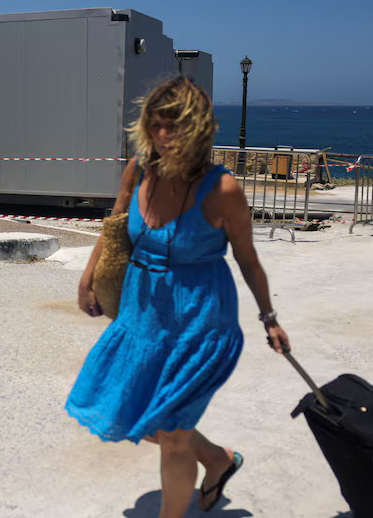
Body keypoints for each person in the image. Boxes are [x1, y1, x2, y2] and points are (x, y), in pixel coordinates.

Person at [66, 77, 290, 518]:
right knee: (131, 410)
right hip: (142, 316)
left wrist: (270, 319)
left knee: (172, 438)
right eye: (156, 125)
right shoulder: (138, 169)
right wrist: (88, 277)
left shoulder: (222, 190)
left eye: (175, 127)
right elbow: (115, 227)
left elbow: (247, 260)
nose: (164, 136)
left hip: (199, 323)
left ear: (198, 130)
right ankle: (218, 459)